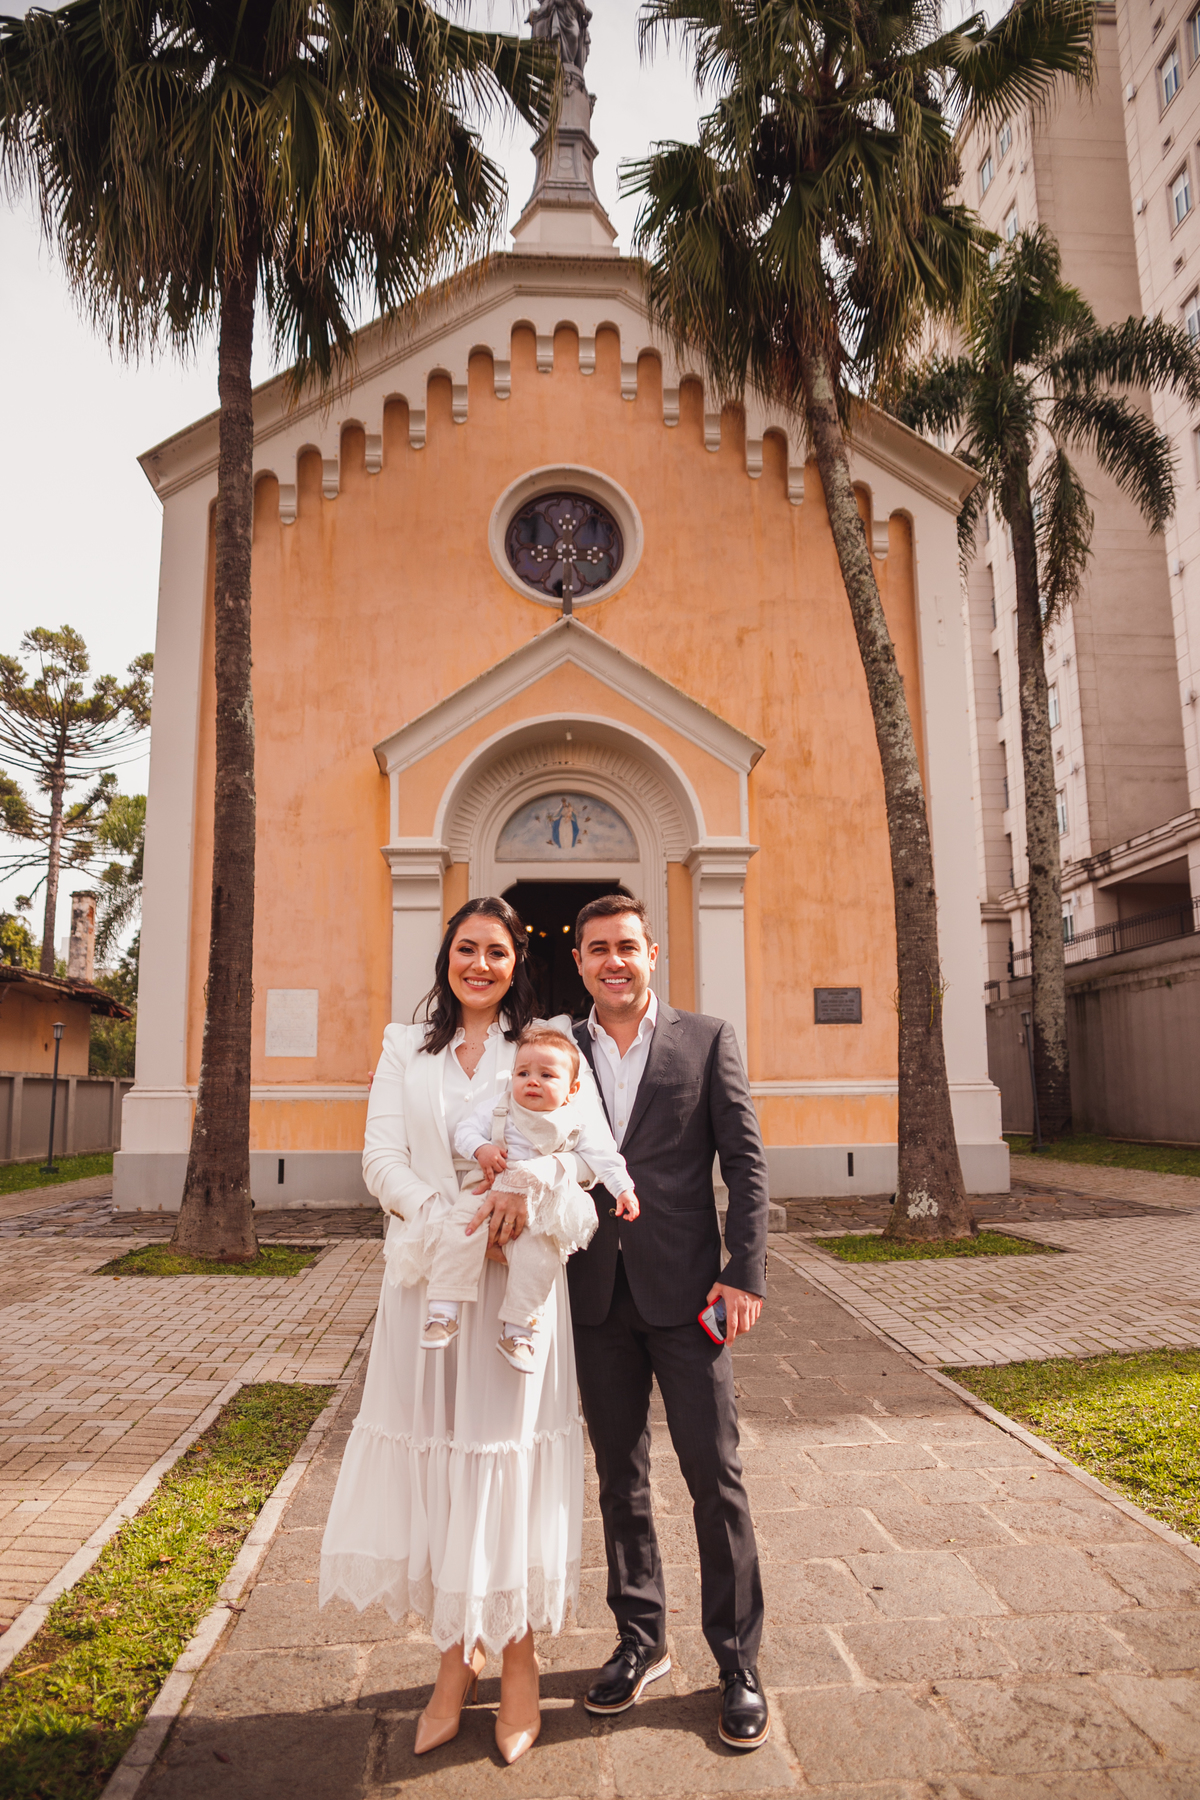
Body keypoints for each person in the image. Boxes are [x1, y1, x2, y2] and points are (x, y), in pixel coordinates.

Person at [318, 898, 584, 1766]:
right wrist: (453, 1219)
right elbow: (380, 1159)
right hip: (428, 1282)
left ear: (517, 963)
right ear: (447, 958)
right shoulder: (407, 1047)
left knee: (501, 1457)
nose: (480, 964)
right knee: (440, 1458)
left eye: (496, 952)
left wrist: (522, 1195)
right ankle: (450, 1662)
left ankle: (517, 1662)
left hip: (519, 1288)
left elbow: (577, 1145)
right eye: (466, 949)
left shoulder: (538, 1047)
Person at [567, 893, 773, 1751]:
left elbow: (746, 1163)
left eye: (627, 946)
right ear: (578, 960)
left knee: (714, 1479)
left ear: (653, 952)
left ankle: (738, 1660)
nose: (614, 961)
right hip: (592, 1298)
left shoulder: (708, 1039)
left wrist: (743, 1273)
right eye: (597, 950)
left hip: (691, 1300)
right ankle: (641, 1637)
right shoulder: (553, 1046)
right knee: (621, 1480)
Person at [412, 1024, 639, 1371]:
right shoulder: (498, 1106)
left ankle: (519, 1330)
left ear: (571, 1090)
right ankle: (443, 1311)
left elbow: (604, 1157)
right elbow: (465, 1132)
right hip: (487, 1186)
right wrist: (482, 1148)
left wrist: (623, 1188)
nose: (532, 1081)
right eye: (523, 1073)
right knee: (462, 1229)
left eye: (546, 1075)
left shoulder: (576, 1120)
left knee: (540, 1256)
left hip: (541, 1202)